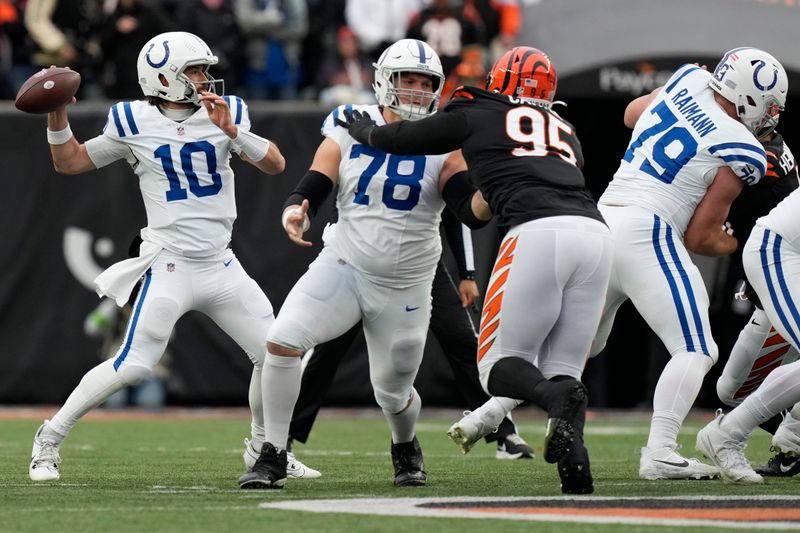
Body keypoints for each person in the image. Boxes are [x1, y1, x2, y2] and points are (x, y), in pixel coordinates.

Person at [338, 46, 615, 495]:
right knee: (566, 367)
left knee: (495, 368)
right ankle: (575, 469)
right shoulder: (565, 128)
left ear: (499, 80)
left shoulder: (477, 107)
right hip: (597, 236)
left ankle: (551, 397)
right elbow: (506, 191)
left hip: (539, 233)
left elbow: (403, 139)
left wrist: (366, 131)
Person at [28, 31, 293, 483]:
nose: (205, 78)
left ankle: (264, 450)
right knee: (133, 363)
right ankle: (48, 439)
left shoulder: (228, 114)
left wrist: (233, 131)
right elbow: (69, 162)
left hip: (221, 262)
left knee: (276, 355)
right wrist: (58, 114)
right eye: (194, 71)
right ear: (165, 78)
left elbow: (276, 164)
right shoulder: (132, 121)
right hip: (169, 261)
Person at [238, 38, 490, 490]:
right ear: (383, 81)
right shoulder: (350, 121)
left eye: (424, 82)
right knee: (282, 341)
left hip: (407, 283)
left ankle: (405, 445)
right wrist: (298, 208)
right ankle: (273, 453)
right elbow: (320, 174)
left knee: (392, 393)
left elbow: (465, 205)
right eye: (406, 80)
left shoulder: (445, 136)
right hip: (346, 263)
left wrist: (496, 192)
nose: (414, 91)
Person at [586, 47, 787, 481]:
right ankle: (660, 450)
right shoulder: (743, 149)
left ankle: (492, 412)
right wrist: (731, 244)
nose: (770, 118)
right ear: (752, 99)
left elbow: (629, 115)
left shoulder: (686, 80)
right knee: (697, 348)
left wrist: (674, 95)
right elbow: (700, 237)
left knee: (582, 343)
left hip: (603, 216)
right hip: (648, 229)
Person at [278, 208, 533, 469]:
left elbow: (456, 206)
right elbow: (334, 192)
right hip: (363, 262)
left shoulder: (439, 164)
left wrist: (467, 273)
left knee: (462, 339)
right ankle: (283, 432)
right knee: (329, 346)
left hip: (418, 265)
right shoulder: (356, 165)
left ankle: (502, 429)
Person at [696, 158, 800, 484]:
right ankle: (727, 433)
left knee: (730, 387)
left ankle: (793, 441)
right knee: (734, 390)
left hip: (785, 255)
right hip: (779, 252)